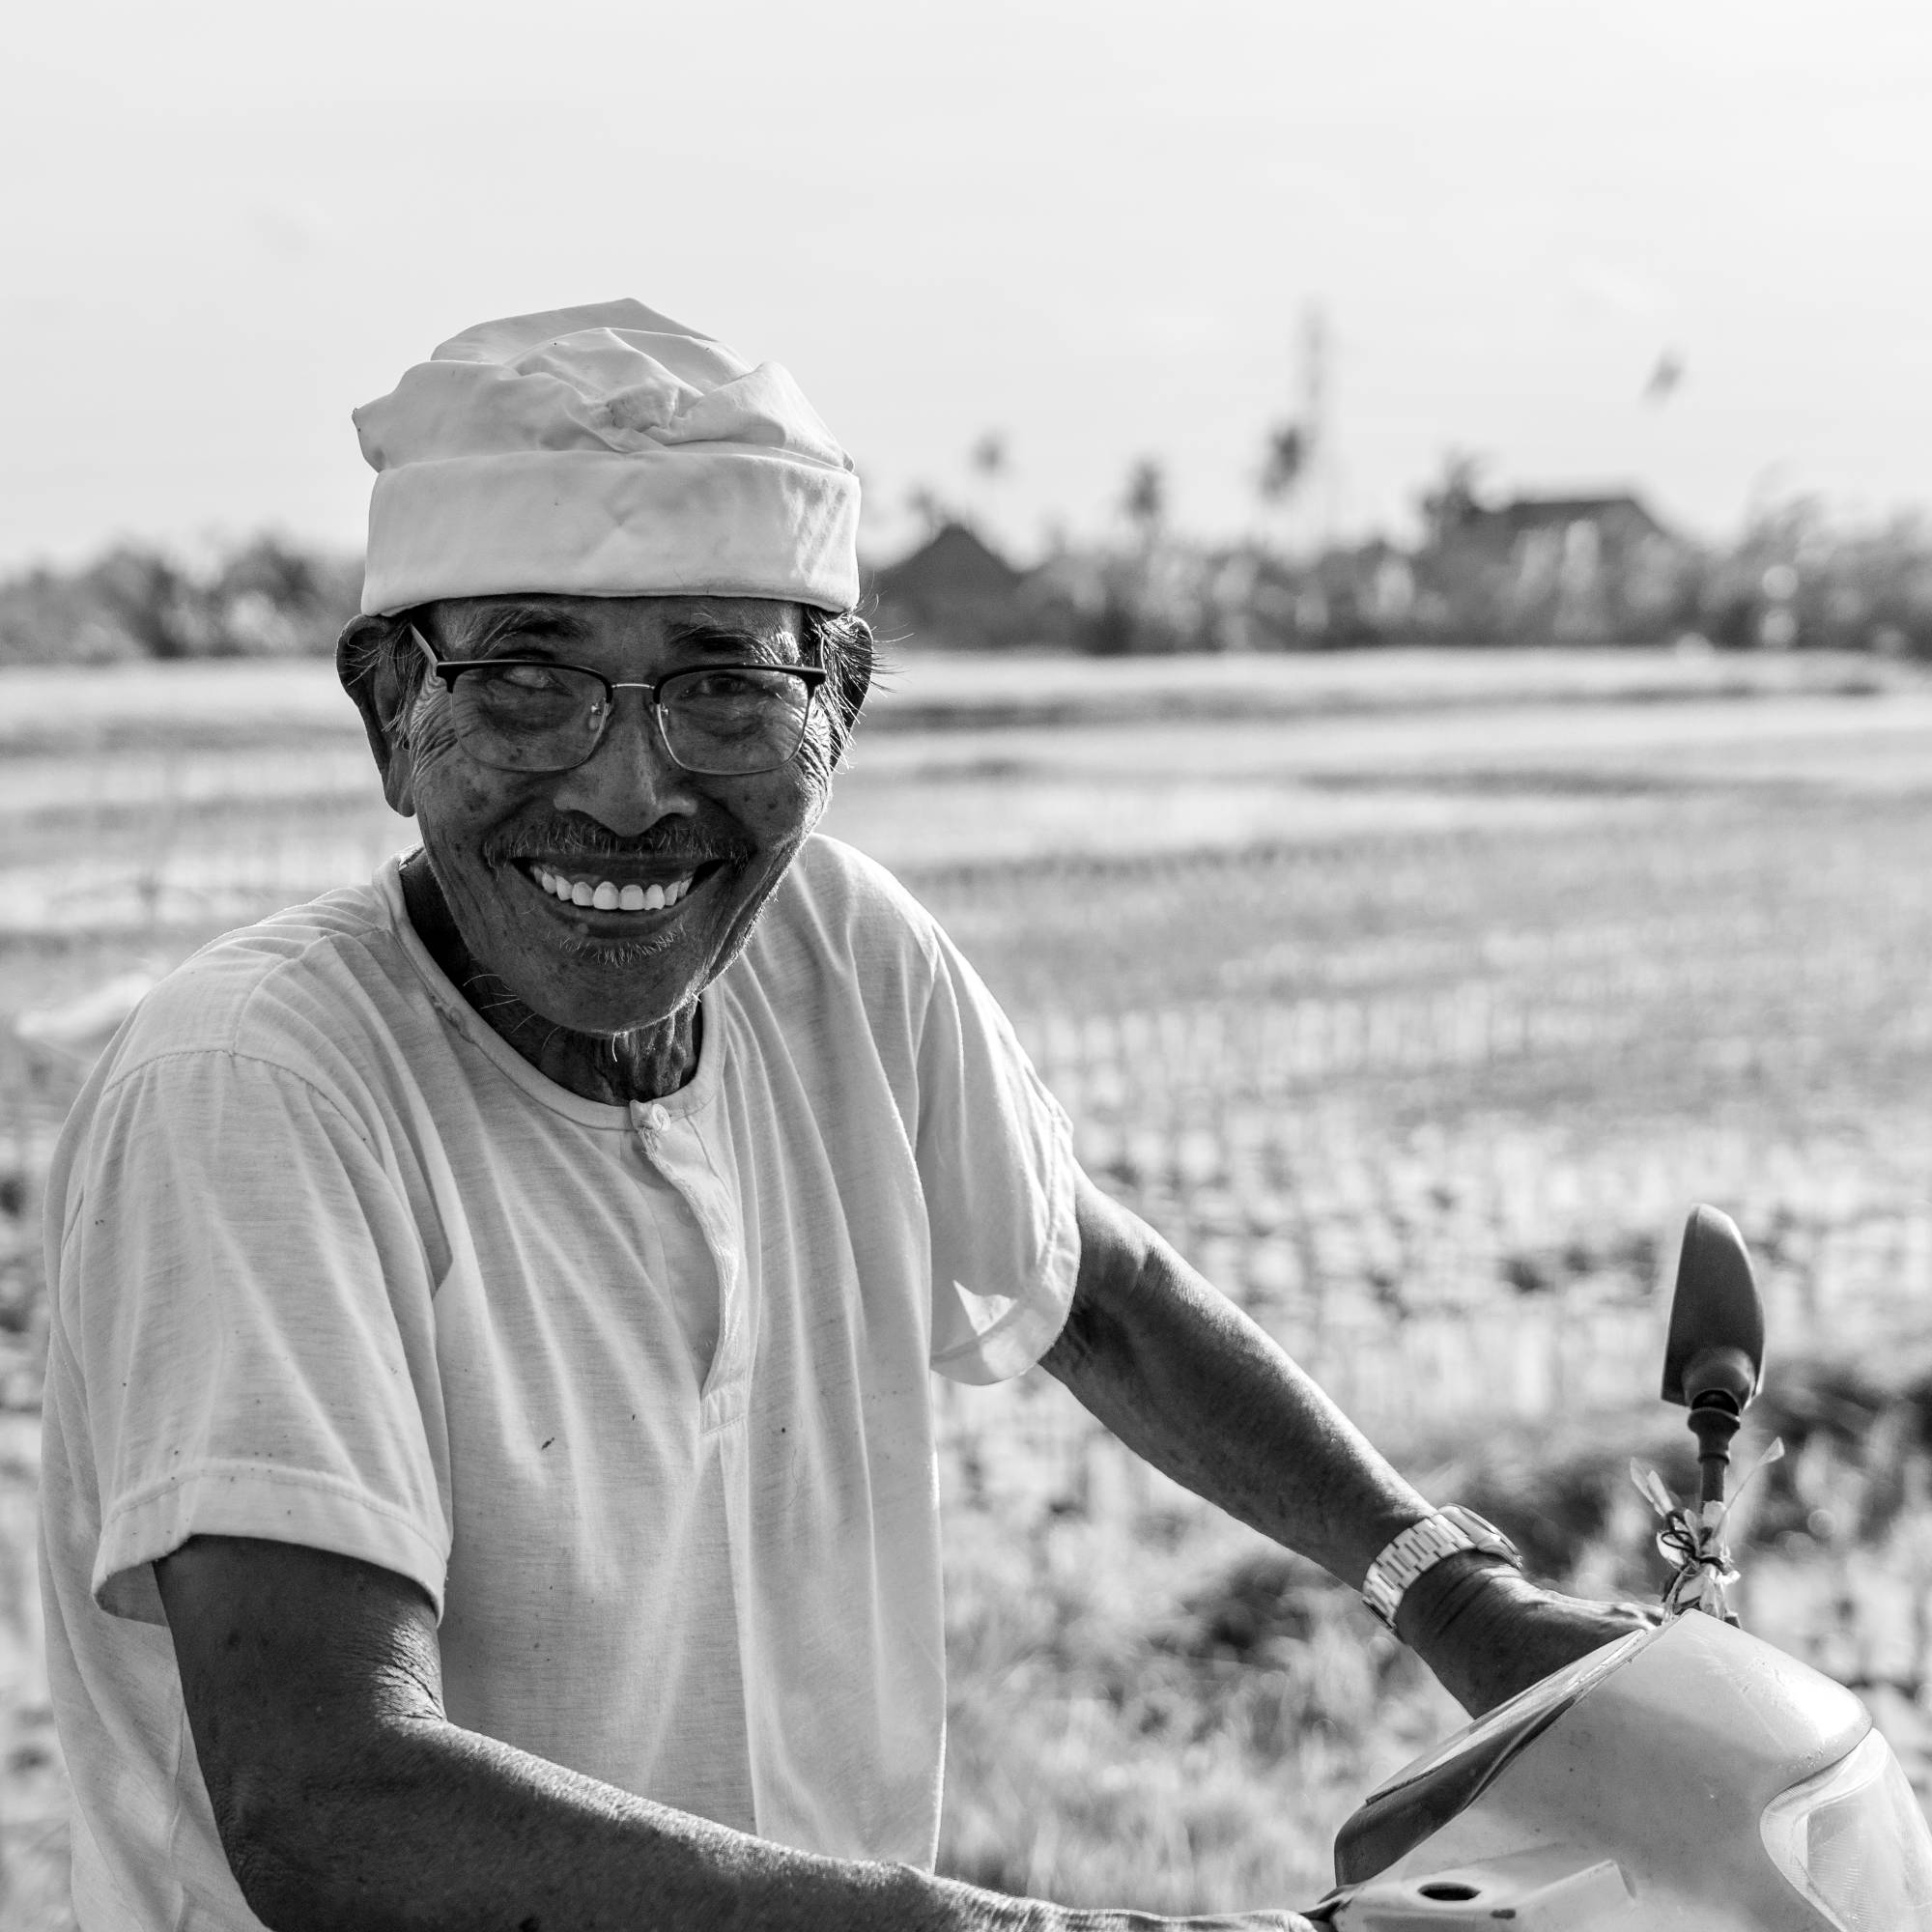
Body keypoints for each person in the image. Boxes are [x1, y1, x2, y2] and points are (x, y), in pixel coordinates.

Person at [38, 300, 1644, 1932]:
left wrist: (1458, 1592)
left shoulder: (839, 956)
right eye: (528, 684)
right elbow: (329, 1801)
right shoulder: (259, 1092)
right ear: (394, 721)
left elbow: (1109, 1300)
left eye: (723, 691)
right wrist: (1002, 1931)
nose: (627, 788)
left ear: (839, 718)